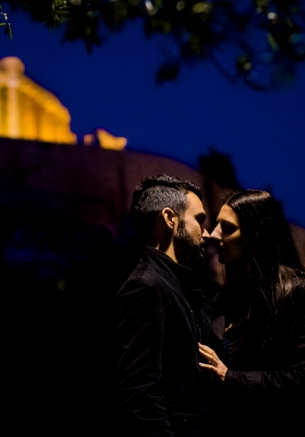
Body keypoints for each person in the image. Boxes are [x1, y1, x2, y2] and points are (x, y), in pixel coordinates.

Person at [198, 189, 305, 433]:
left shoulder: (300, 292)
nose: (213, 234)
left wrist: (231, 378)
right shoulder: (222, 300)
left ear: (256, 234)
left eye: (227, 228)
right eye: (216, 224)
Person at [114, 174, 216, 437]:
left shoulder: (176, 287)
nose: (206, 233)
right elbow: (140, 394)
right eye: (199, 220)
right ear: (170, 219)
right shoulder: (146, 287)